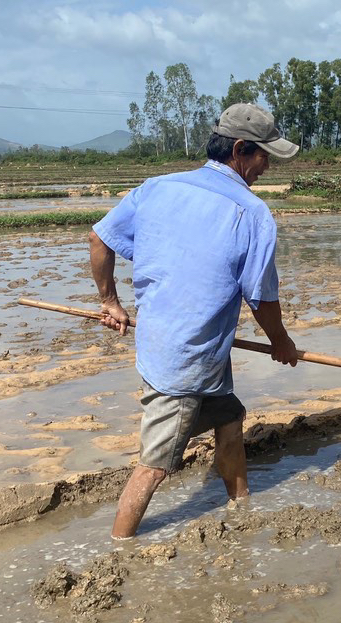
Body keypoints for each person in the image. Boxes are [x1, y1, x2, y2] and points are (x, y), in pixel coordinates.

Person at [88, 103, 300, 539]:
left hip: (190, 349)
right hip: (186, 360)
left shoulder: (157, 188)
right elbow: (261, 298)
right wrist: (281, 343)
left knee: (229, 423)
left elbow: (100, 237)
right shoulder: (252, 213)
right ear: (241, 150)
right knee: (155, 466)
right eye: (264, 157)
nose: (266, 168)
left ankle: (241, 507)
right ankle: (118, 548)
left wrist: (110, 300)